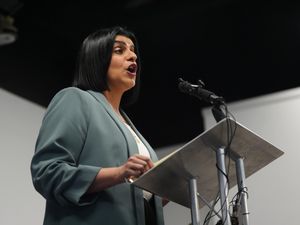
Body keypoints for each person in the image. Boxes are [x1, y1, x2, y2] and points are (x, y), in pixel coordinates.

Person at [30, 26, 165, 225]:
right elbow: (47, 172)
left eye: (132, 49)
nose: (133, 56)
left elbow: (132, 198)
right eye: (120, 50)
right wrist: (119, 173)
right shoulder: (75, 99)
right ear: (97, 60)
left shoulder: (127, 123)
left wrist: (167, 191)